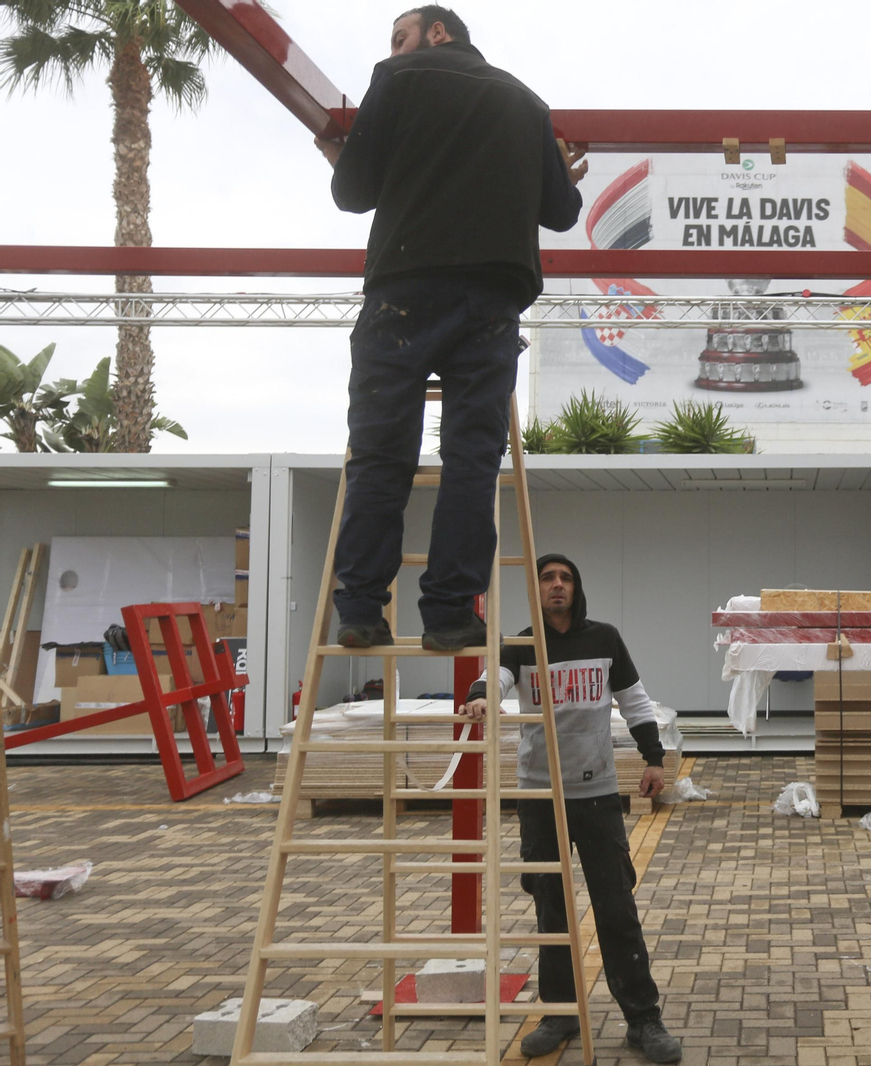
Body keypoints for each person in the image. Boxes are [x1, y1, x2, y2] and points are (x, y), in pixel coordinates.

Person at [315, 6, 588, 653]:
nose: (394, 48)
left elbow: (353, 193)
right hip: (492, 299)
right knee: (471, 459)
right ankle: (447, 614)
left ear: (439, 32)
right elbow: (561, 213)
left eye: (400, 36)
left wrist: (344, 156)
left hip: (404, 292)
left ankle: (359, 611)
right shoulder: (529, 104)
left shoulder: (397, 80)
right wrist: (563, 175)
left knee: (382, 455)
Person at [462, 554, 682, 1063]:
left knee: (616, 907)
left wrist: (654, 759)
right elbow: (492, 678)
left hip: (598, 796)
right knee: (551, 911)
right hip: (540, 799)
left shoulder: (603, 639)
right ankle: (560, 1014)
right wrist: (479, 698)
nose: (557, 585)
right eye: (547, 578)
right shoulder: (519, 644)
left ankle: (644, 1019)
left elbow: (634, 700)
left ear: (576, 588)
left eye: (565, 578)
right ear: (536, 590)